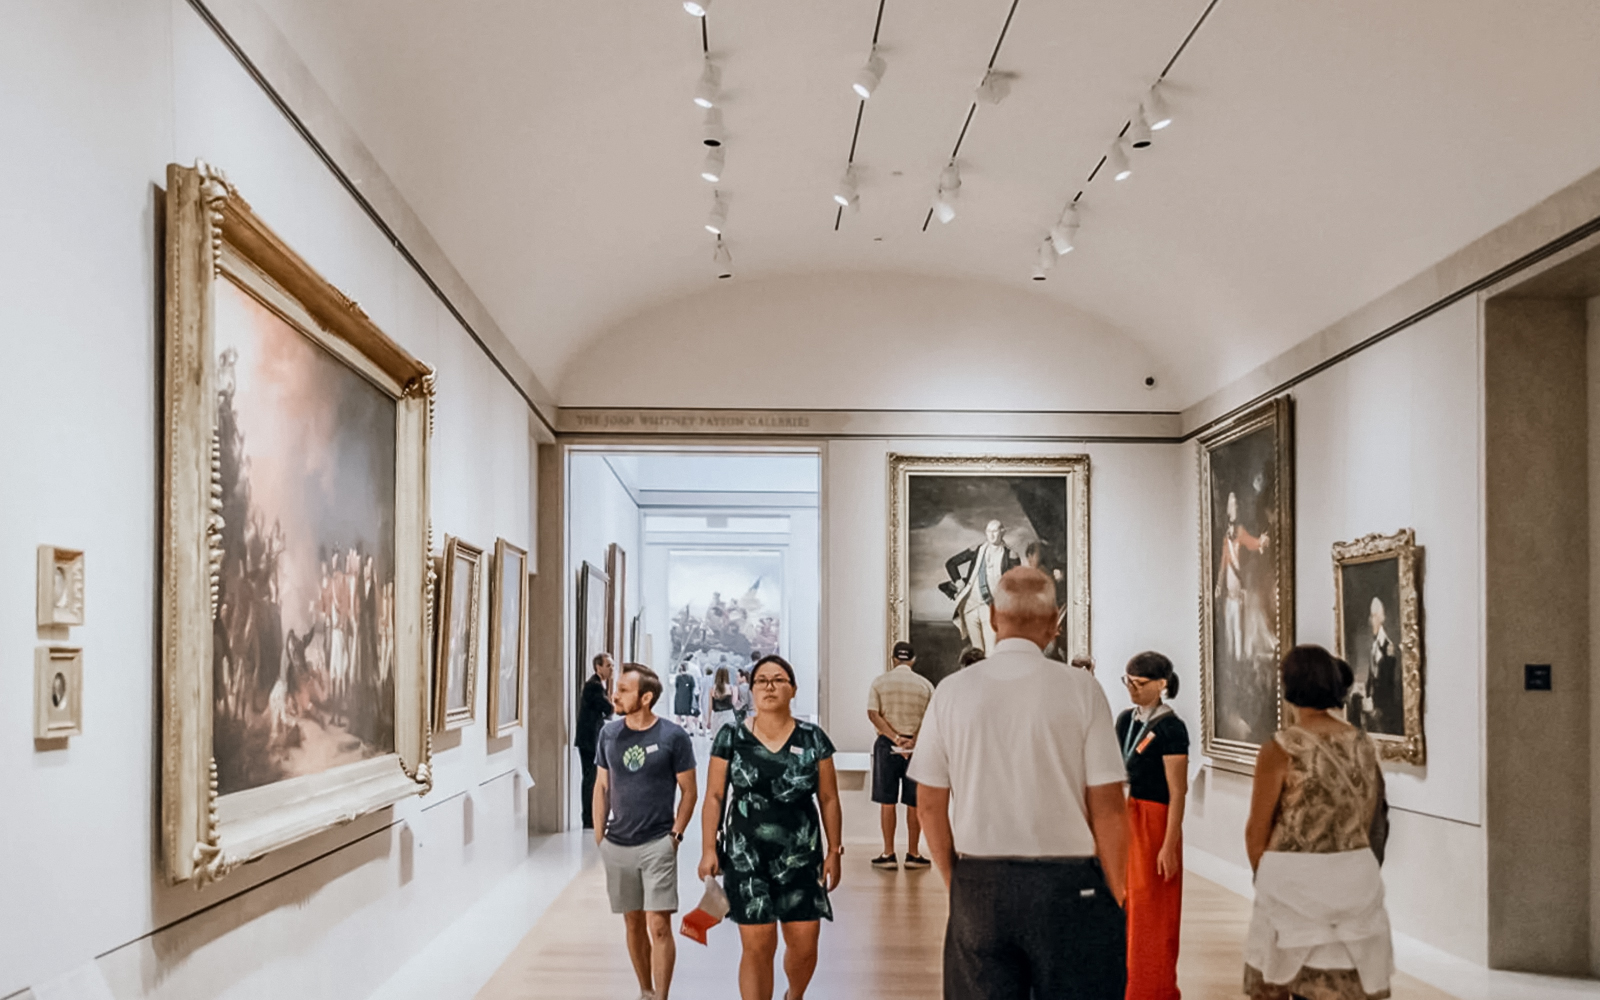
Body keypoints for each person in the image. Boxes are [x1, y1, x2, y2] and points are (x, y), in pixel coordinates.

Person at [911, 567, 1130, 1000]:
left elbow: (929, 804)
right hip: (1069, 883)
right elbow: (1107, 804)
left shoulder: (952, 691)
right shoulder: (1082, 689)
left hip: (980, 878)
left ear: (992, 617)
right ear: (1055, 623)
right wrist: (1116, 892)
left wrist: (957, 880)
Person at [1244, 645, 1392, 1000]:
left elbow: (1257, 830)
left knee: (1283, 978)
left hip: (1293, 880)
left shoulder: (1281, 748)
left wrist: (1265, 879)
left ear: (1288, 687)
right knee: (1347, 981)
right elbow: (1372, 819)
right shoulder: (1363, 743)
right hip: (1354, 877)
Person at [699, 655, 843, 1000]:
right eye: (762, 680)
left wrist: (835, 851)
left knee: (805, 944)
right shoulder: (731, 736)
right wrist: (708, 848)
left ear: (793, 689)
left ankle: (794, 995)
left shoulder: (813, 738)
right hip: (747, 856)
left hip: (802, 855)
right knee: (758, 945)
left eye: (779, 679)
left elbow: (829, 799)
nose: (769, 686)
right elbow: (715, 796)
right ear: (750, 688)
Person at [594, 663, 698, 1000]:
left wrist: (676, 836)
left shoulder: (673, 737)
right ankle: (645, 989)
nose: (615, 694)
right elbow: (602, 787)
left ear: (647, 697)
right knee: (633, 922)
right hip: (618, 842)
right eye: (618, 688)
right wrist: (600, 837)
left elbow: (690, 791)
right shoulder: (608, 734)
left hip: (658, 841)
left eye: (624, 690)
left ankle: (662, 996)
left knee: (659, 924)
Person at [1115, 652, 1189, 1000]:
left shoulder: (1172, 728)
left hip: (1155, 823)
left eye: (1140, 684)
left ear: (1162, 684)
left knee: (1152, 911)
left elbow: (1178, 792)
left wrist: (1169, 845)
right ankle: (1124, 982)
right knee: (1123, 906)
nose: (1132, 689)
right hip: (1125, 817)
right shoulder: (1124, 721)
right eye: (1128, 681)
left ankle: (1152, 988)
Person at [866, 640, 936, 870]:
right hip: (917, 747)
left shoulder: (879, 682)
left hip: (887, 745)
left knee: (887, 801)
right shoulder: (925, 685)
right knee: (913, 802)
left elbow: (873, 713)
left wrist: (894, 738)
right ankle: (913, 853)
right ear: (913, 660)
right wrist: (913, 739)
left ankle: (888, 853)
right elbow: (931, 718)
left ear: (894, 659)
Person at [940, 519, 1020, 656]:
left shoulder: (1010, 555)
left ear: (1003, 532)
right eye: (989, 531)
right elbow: (951, 564)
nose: (992, 535)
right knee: (976, 653)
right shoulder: (977, 550)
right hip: (970, 606)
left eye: (995, 531)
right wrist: (959, 582)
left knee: (991, 653)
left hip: (991, 608)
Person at [1348, 596, 1402, 736]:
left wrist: (1376, 707)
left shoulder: (1388, 647)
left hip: (1384, 710)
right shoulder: (1374, 645)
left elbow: (1390, 684)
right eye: (1371, 616)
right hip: (1373, 705)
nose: (1371, 621)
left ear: (1381, 617)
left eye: (1374, 616)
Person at [576, 652, 615, 829]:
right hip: (589, 740)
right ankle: (589, 818)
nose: (611, 669)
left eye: (612, 666)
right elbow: (608, 708)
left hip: (590, 738)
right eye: (608, 665)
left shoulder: (598, 685)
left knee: (592, 777)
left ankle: (592, 816)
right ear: (598, 667)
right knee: (590, 778)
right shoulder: (595, 686)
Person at [704, 666, 739, 736]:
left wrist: (708, 721)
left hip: (716, 717)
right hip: (729, 716)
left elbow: (710, 706)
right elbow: (735, 704)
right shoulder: (732, 688)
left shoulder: (712, 689)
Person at [673, 661, 698, 731]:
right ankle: (690, 730)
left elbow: (676, 686)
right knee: (688, 716)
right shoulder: (690, 678)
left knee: (678, 716)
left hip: (678, 699)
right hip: (688, 699)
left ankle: (678, 730)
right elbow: (693, 687)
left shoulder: (678, 678)